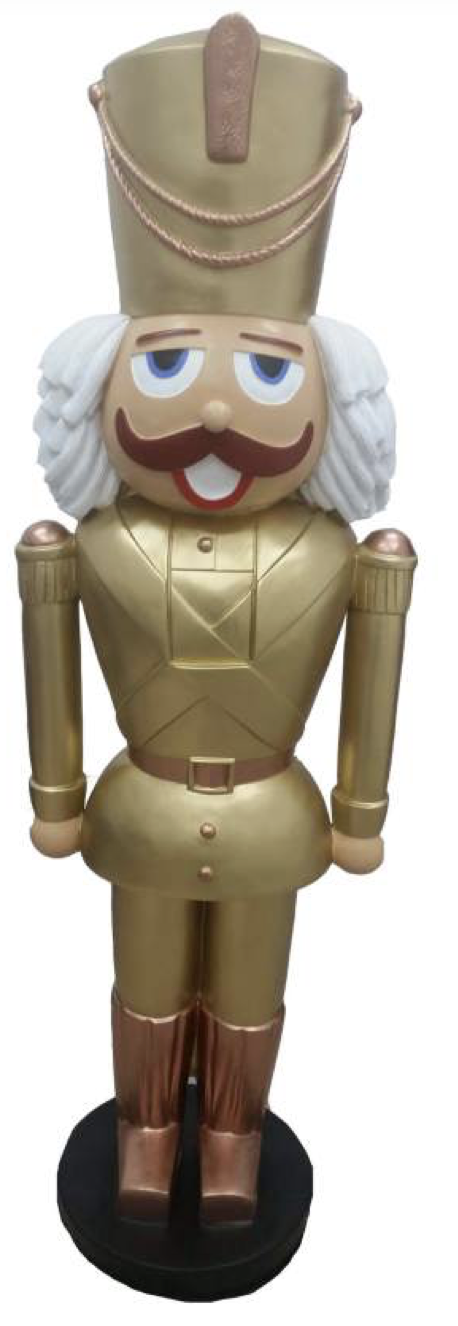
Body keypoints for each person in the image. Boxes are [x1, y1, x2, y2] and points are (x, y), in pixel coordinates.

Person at [16, 15, 416, 1226]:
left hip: (272, 815)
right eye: (169, 361)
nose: (213, 411)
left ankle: (234, 1134)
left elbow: (373, 678)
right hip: (138, 807)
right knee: (141, 974)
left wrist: (359, 810)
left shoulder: (345, 555)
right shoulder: (87, 545)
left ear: (332, 389)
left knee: (252, 984)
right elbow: (49, 667)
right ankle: (143, 1128)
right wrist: (55, 794)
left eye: (267, 370)